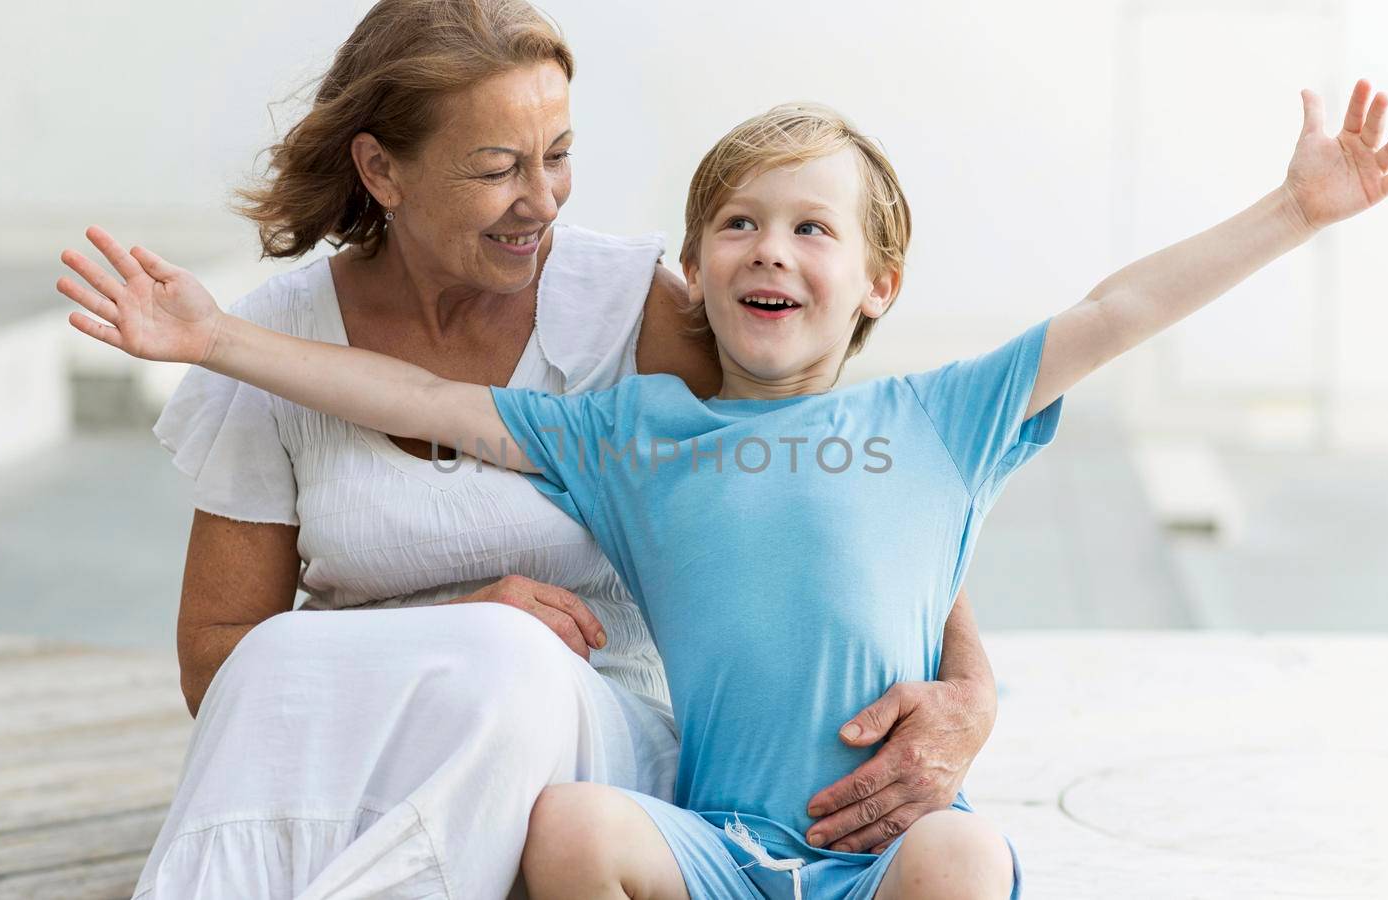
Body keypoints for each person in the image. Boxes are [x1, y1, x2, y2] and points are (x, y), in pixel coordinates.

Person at [59, 77, 1388, 898]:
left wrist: (1294, 212)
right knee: (574, 829)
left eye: (812, 227)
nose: (772, 250)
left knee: (960, 862)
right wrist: (212, 338)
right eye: (739, 225)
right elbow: (425, 406)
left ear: (879, 283)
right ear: (696, 273)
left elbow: (1119, 308)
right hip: (711, 850)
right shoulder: (635, 437)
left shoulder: (944, 415)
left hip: (883, 857)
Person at [89, 1, 1004, 896]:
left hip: (590, 762)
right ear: (381, 170)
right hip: (361, 748)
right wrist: (448, 628)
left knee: (515, 661)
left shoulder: (637, 313)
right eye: (496, 169)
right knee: (433, 654)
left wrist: (970, 689)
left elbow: (826, 477)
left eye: (558, 156)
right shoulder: (268, 345)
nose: (543, 200)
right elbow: (220, 668)